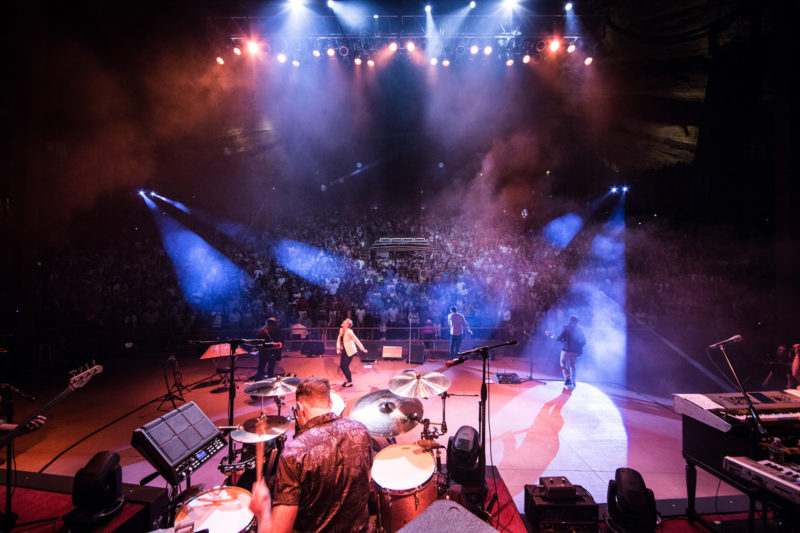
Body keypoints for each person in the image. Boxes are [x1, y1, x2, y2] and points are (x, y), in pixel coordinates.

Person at [249, 377, 372, 533]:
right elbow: (366, 481)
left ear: (300, 407)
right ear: (331, 403)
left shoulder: (294, 454)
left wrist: (262, 511)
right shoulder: (360, 431)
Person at [547, 315, 586, 389]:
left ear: (570, 321)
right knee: (572, 365)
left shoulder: (566, 328)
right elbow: (584, 341)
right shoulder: (580, 329)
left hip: (566, 350)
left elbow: (560, 338)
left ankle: (567, 378)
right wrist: (578, 348)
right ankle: (573, 380)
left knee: (563, 363)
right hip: (574, 351)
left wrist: (551, 335)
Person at [336, 318, 367, 388]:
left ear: (348, 325)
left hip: (350, 351)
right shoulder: (341, 330)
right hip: (345, 350)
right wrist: (338, 348)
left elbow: (356, 340)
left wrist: (362, 348)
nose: (343, 321)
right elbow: (338, 339)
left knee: (345, 366)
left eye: (345, 321)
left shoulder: (350, 332)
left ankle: (349, 382)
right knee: (341, 365)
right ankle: (347, 379)